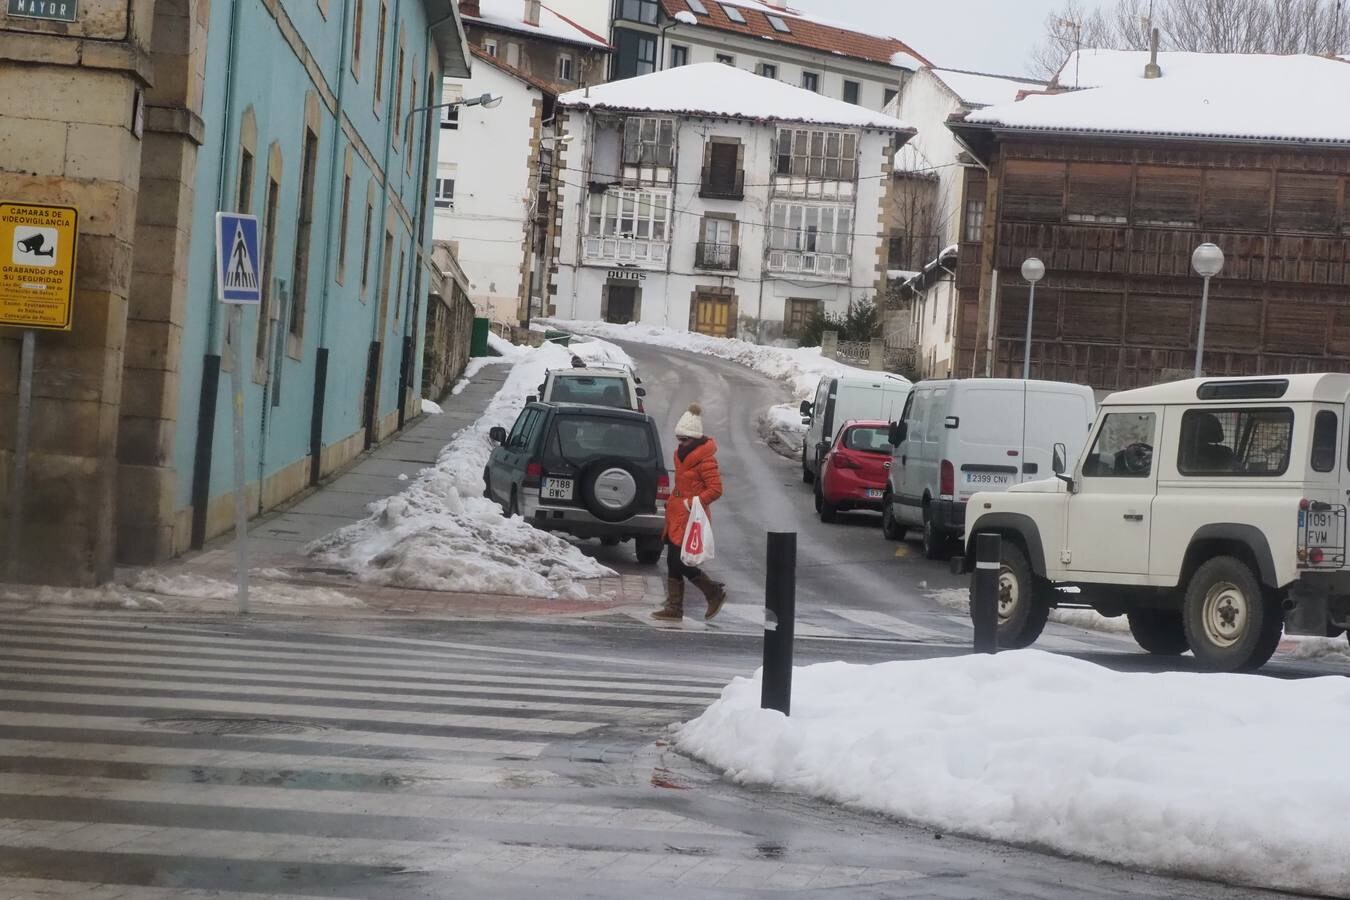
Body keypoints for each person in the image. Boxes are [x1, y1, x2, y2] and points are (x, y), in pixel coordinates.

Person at [653, 404, 727, 621]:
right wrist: (672, 501)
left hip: (691, 516)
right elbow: (682, 485)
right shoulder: (681, 456)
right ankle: (675, 607)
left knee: (680, 561)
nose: (681, 443)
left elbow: (715, 490)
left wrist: (691, 503)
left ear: (695, 438)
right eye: (679, 439)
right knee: (672, 560)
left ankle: (712, 592)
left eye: (685, 439)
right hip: (676, 514)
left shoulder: (705, 459)